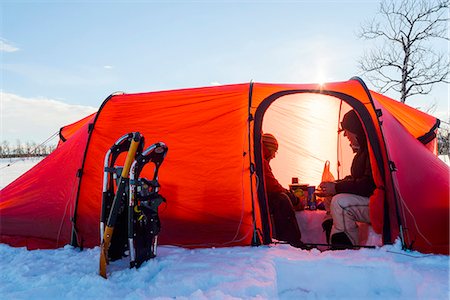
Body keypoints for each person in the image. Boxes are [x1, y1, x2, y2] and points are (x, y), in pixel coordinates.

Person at [318, 110, 376, 249]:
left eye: (347, 130)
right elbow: (356, 179)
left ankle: (345, 251)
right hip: (366, 199)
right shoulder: (362, 152)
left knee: (340, 202)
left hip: (378, 204)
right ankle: (332, 239)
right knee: (331, 198)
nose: (345, 135)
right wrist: (335, 185)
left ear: (357, 130)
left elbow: (368, 185)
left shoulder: (372, 152)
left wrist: (337, 188)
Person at [261, 133, 305, 248]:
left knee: (282, 197)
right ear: (269, 149)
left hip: (258, 197)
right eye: (274, 151)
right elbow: (273, 187)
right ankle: (292, 241)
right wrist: (294, 199)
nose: (274, 156)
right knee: (281, 199)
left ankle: (291, 241)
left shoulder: (259, 157)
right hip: (259, 199)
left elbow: (273, 184)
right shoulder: (261, 160)